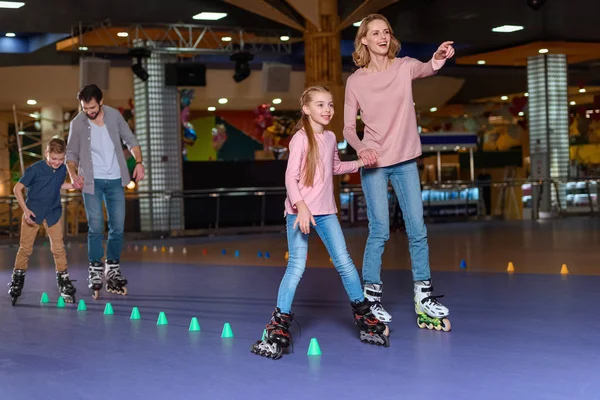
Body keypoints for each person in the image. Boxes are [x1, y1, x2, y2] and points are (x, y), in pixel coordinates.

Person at [251, 86, 390, 360]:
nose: (327, 110)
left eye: (331, 105)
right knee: (296, 266)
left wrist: (362, 161)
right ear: (306, 109)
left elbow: (335, 167)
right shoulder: (300, 139)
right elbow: (291, 178)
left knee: (345, 263)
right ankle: (278, 324)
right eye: (320, 105)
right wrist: (300, 207)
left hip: (325, 212)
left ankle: (364, 316)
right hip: (299, 211)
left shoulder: (329, 138)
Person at [343, 14, 454, 331]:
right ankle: (371, 299)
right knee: (379, 230)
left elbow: (427, 67)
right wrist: (361, 146)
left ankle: (424, 297)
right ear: (363, 39)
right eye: (375, 33)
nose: (382, 37)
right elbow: (349, 128)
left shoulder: (404, 66)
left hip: (405, 160)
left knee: (417, 228)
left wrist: (438, 56)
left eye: (386, 32)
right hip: (375, 163)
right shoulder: (356, 82)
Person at [66, 84, 145, 300]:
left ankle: (112, 268)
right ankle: (95, 270)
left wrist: (139, 162)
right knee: (96, 227)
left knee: (117, 227)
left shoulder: (114, 116)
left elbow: (131, 140)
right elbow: (70, 153)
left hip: (116, 179)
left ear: (100, 102)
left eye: (92, 107)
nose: (89, 112)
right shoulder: (78, 123)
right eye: (85, 108)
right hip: (91, 182)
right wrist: (73, 175)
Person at [8, 138, 77, 305]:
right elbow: (17, 188)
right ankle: (17, 280)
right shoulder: (35, 169)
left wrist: (75, 185)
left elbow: (58, 184)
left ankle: (64, 281)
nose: (57, 162)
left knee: (58, 248)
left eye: (61, 159)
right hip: (32, 214)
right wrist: (25, 210)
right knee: (25, 248)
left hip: (52, 213)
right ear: (47, 154)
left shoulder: (61, 168)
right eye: (54, 159)